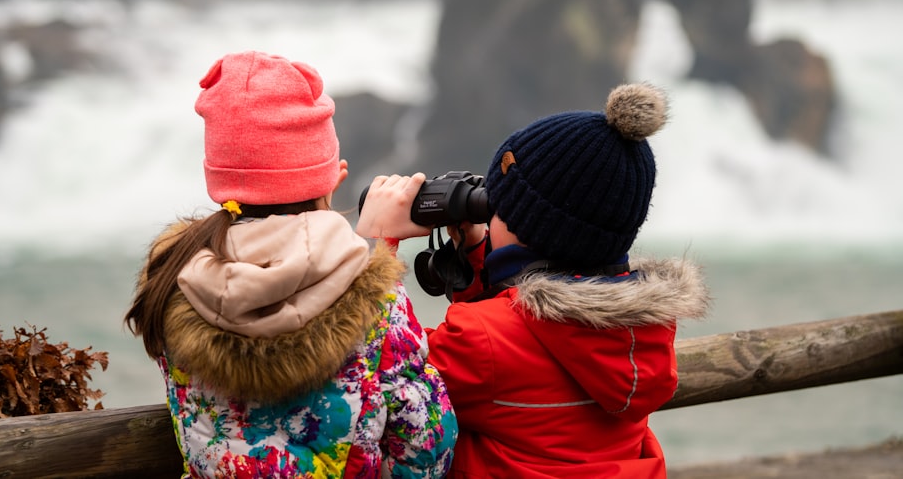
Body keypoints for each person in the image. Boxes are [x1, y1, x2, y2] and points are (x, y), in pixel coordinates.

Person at [124, 50, 457, 478]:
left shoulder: (173, 276)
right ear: (333, 177)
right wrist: (380, 250)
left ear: (220, 179)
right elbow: (426, 441)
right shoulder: (375, 298)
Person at [359, 83, 710, 478]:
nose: (489, 218)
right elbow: (527, 336)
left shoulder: (480, 341)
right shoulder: (644, 332)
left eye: (498, 209)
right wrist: (480, 263)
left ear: (529, 228)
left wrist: (377, 247)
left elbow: (382, 370)